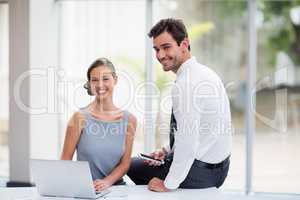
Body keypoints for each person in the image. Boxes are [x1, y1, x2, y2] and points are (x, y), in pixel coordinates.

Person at [127, 18, 232, 192]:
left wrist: (168, 184)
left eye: (166, 47)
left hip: (201, 173)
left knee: (131, 166)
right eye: (156, 49)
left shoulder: (186, 84)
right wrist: (168, 150)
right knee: (146, 162)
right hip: (219, 168)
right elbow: (199, 128)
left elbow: (188, 141)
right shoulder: (204, 73)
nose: (160, 55)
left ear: (184, 44)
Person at [61, 58, 137, 191]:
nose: (100, 85)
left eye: (105, 79)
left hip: (116, 190)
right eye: (94, 80)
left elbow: (125, 164)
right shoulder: (79, 118)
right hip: (86, 190)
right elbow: (65, 160)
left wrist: (107, 182)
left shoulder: (129, 120)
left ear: (115, 80)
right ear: (90, 83)